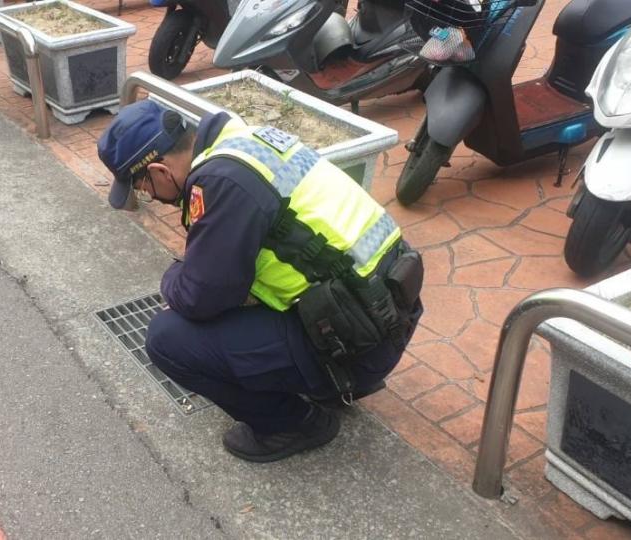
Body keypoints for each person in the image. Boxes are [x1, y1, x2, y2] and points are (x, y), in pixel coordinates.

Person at [97, 100, 423, 463]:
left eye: (143, 188)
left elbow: (199, 297)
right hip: (385, 315)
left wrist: (173, 276)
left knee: (167, 339)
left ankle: (297, 423)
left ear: (159, 170)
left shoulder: (221, 183)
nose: (151, 197)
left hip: (358, 346)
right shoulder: (247, 141)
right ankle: (328, 383)